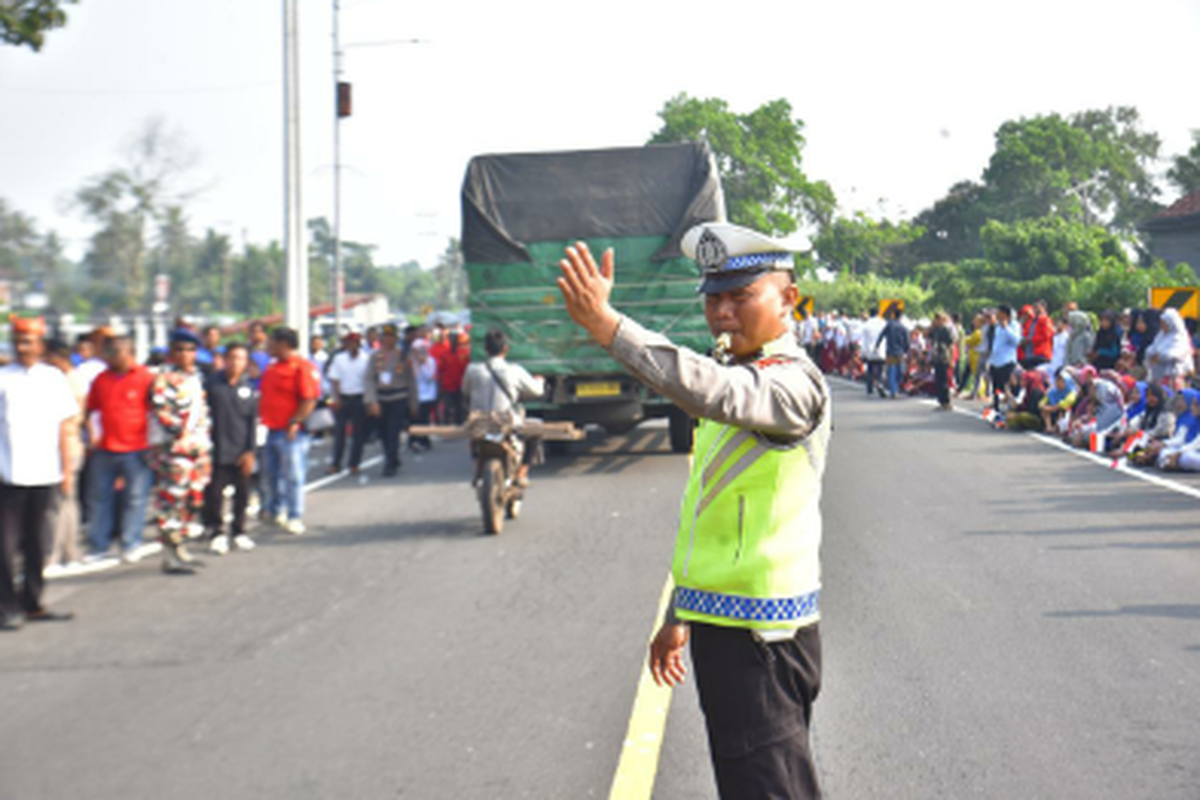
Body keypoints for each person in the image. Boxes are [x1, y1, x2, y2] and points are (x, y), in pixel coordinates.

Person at [558, 223, 830, 799]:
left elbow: (713, 390)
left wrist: (609, 327)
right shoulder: (744, 371)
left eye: (741, 296)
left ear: (790, 299)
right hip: (726, 628)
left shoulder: (793, 384)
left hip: (764, 638)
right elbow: (713, 512)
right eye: (713, 298)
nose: (723, 312)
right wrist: (683, 607)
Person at [0, 317, 78, 631]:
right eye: (18, 340)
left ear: (40, 344)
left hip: (45, 471)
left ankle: (33, 602)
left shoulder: (53, 378)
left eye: (29, 341)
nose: (23, 347)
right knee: (5, 546)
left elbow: (64, 426)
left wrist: (66, 469)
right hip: (7, 475)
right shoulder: (3, 377)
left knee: (37, 543)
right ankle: (7, 606)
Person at [85, 335, 156, 562]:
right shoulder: (101, 379)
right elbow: (91, 410)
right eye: (108, 352)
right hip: (105, 447)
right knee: (99, 497)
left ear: (128, 352)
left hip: (137, 447)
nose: (109, 357)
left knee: (135, 497)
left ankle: (131, 542)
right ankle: (99, 545)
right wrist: (92, 435)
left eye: (115, 352)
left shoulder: (146, 378)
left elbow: (157, 411)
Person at [149, 329, 212, 574]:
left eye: (190, 350)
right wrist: (180, 432)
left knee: (192, 500)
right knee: (171, 501)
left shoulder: (196, 377)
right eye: (180, 350)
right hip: (175, 451)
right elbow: (162, 411)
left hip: (199, 449)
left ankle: (182, 548)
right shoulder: (164, 378)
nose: (185, 355)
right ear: (171, 352)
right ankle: (169, 555)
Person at [462, 329, 547, 489]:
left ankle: (476, 468)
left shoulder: (472, 370)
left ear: (485, 349)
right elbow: (537, 391)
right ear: (505, 349)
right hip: (506, 421)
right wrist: (540, 381)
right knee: (537, 428)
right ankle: (522, 473)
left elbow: (465, 391)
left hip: (478, 421)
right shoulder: (514, 370)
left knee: (473, 437)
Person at [259, 327, 319, 535]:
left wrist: (296, 421)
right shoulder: (272, 367)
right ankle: (277, 510)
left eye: (272, 342)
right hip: (271, 428)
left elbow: (309, 398)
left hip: (292, 432)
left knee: (293, 475)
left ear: (283, 344)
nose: (268, 347)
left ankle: (295, 514)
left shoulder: (301, 367)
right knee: (271, 474)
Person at [204, 342, 258, 555]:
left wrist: (250, 451)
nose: (236, 363)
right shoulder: (211, 386)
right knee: (215, 494)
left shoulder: (248, 388)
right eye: (232, 358)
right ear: (225, 359)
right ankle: (216, 532)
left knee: (242, 493)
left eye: (241, 358)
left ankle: (239, 531)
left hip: (241, 450)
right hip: (216, 448)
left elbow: (252, 423)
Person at [43, 339, 86, 576]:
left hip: (65, 446)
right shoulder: (72, 378)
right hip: (67, 444)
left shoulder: (67, 381)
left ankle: (54, 553)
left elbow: (65, 420)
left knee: (57, 505)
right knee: (67, 502)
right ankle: (70, 551)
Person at [364, 323, 414, 477]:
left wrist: (413, 402)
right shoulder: (375, 357)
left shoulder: (403, 356)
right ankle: (393, 457)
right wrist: (371, 401)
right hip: (381, 398)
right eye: (385, 337)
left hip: (398, 397)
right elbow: (369, 379)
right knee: (383, 433)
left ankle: (390, 463)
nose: (388, 340)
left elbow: (411, 380)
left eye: (391, 337)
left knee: (393, 432)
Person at [326, 332, 370, 474]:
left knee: (359, 434)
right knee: (339, 433)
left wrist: (368, 401)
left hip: (359, 398)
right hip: (343, 398)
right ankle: (336, 462)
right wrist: (336, 398)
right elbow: (334, 380)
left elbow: (369, 382)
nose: (351, 345)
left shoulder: (366, 359)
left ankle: (354, 463)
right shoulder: (339, 359)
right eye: (349, 343)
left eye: (354, 343)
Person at [1145, 308, 1195, 390]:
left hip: (1174, 375)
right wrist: (1153, 354)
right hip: (1158, 374)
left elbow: (1172, 354)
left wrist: (1158, 356)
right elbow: (1150, 349)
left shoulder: (1179, 337)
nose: (1162, 325)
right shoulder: (1160, 336)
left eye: (1164, 323)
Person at [987, 305, 1021, 422]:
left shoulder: (1014, 325)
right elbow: (996, 344)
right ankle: (997, 413)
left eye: (999, 313)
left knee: (1007, 390)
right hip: (995, 362)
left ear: (1005, 314)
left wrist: (1006, 328)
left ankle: (1007, 414)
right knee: (996, 389)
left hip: (1007, 362)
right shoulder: (997, 327)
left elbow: (1016, 341)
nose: (997, 315)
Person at [431, 328, 471, 425]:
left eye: (454, 339)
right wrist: (440, 386)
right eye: (451, 338)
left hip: (461, 386)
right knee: (447, 408)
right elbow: (440, 370)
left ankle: (460, 426)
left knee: (461, 408)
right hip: (448, 386)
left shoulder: (464, 354)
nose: (453, 341)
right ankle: (446, 427)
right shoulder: (444, 355)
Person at [409, 339, 438, 452]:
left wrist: (423, 364)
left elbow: (430, 376)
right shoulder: (412, 362)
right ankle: (416, 440)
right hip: (416, 395)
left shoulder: (430, 361)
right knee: (415, 418)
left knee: (423, 419)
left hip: (428, 396)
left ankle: (422, 441)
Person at [876, 305, 909, 399]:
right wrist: (906, 350)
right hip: (899, 352)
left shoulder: (889, 325)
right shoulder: (903, 327)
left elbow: (881, 335)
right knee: (899, 372)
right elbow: (907, 340)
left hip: (891, 351)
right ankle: (894, 389)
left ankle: (893, 389)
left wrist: (877, 345)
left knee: (892, 371)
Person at [859, 306, 887, 398]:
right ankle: (880, 383)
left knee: (870, 370)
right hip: (881, 350)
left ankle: (870, 389)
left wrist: (862, 353)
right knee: (880, 369)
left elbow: (864, 341)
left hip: (870, 350)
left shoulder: (866, 325)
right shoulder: (883, 323)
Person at [930, 312, 954, 410]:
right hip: (936, 357)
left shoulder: (945, 330)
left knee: (944, 380)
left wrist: (951, 359)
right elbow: (926, 334)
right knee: (938, 380)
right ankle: (941, 401)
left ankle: (946, 401)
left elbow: (951, 345)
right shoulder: (935, 330)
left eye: (938, 319)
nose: (936, 320)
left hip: (943, 356)